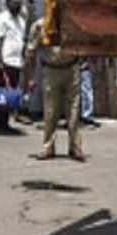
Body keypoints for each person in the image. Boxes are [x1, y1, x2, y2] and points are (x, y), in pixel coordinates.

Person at [26, 18, 84, 161]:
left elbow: (84, 44)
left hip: (72, 68)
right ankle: (48, 148)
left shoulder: (73, 22)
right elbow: (31, 51)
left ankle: (75, 148)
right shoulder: (40, 25)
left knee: (74, 111)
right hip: (51, 70)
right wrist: (30, 76)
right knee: (50, 112)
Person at [0, 0, 27, 134]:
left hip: (16, 62)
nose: (17, 6)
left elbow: (21, 41)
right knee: (0, 95)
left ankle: (5, 123)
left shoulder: (21, 21)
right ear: (7, 4)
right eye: (14, 3)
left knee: (10, 95)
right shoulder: (2, 19)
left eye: (19, 3)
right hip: (4, 62)